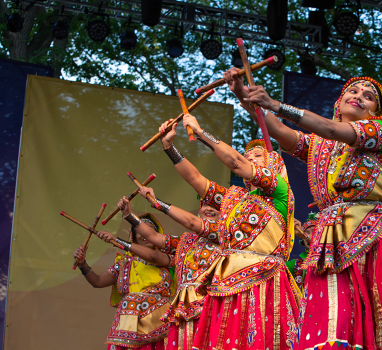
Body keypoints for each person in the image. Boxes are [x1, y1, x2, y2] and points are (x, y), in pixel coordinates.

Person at [224, 69, 382, 350]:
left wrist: (276, 105)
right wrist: (243, 96)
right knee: (333, 317)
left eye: (368, 97)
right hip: (330, 240)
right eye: (353, 92)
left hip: (373, 236)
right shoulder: (320, 144)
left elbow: (330, 128)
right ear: (339, 102)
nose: (359, 97)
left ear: (374, 113)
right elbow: (279, 131)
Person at [144, 113, 300, 349]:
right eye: (249, 156)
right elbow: (197, 179)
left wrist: (200, 132)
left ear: (275, 166)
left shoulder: (280, 191)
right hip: (227, 287)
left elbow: (236, 163)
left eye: (258, 156)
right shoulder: (234, 199)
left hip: (263, 282)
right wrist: (169, 147)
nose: (251, 159)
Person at [98, 196, 223, 350]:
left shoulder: (226, 240)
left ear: (223, 214)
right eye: (205, 205)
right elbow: (154, 239)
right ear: (198, 212)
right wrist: (128, 215)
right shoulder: (185, 242)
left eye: (215, 207)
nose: (209, 209)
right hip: (183, 312)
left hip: (209, 306)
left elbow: (154, 255)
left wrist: (156, 201)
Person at [73, 213, 174, 350]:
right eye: (139, 231)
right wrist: (82, 264)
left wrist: (116, 240)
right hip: (129, 326)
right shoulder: (124, 263)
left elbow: (153, 256)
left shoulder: (168, 258)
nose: (144, 235)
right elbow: (97, 281)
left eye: (149, 230)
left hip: (160, 325)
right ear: (133, 236)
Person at [287, 213, 316, 291]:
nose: (310, 236)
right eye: (307, 232)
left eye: (315, 231)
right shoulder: (295, 265)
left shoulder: (331, 258)